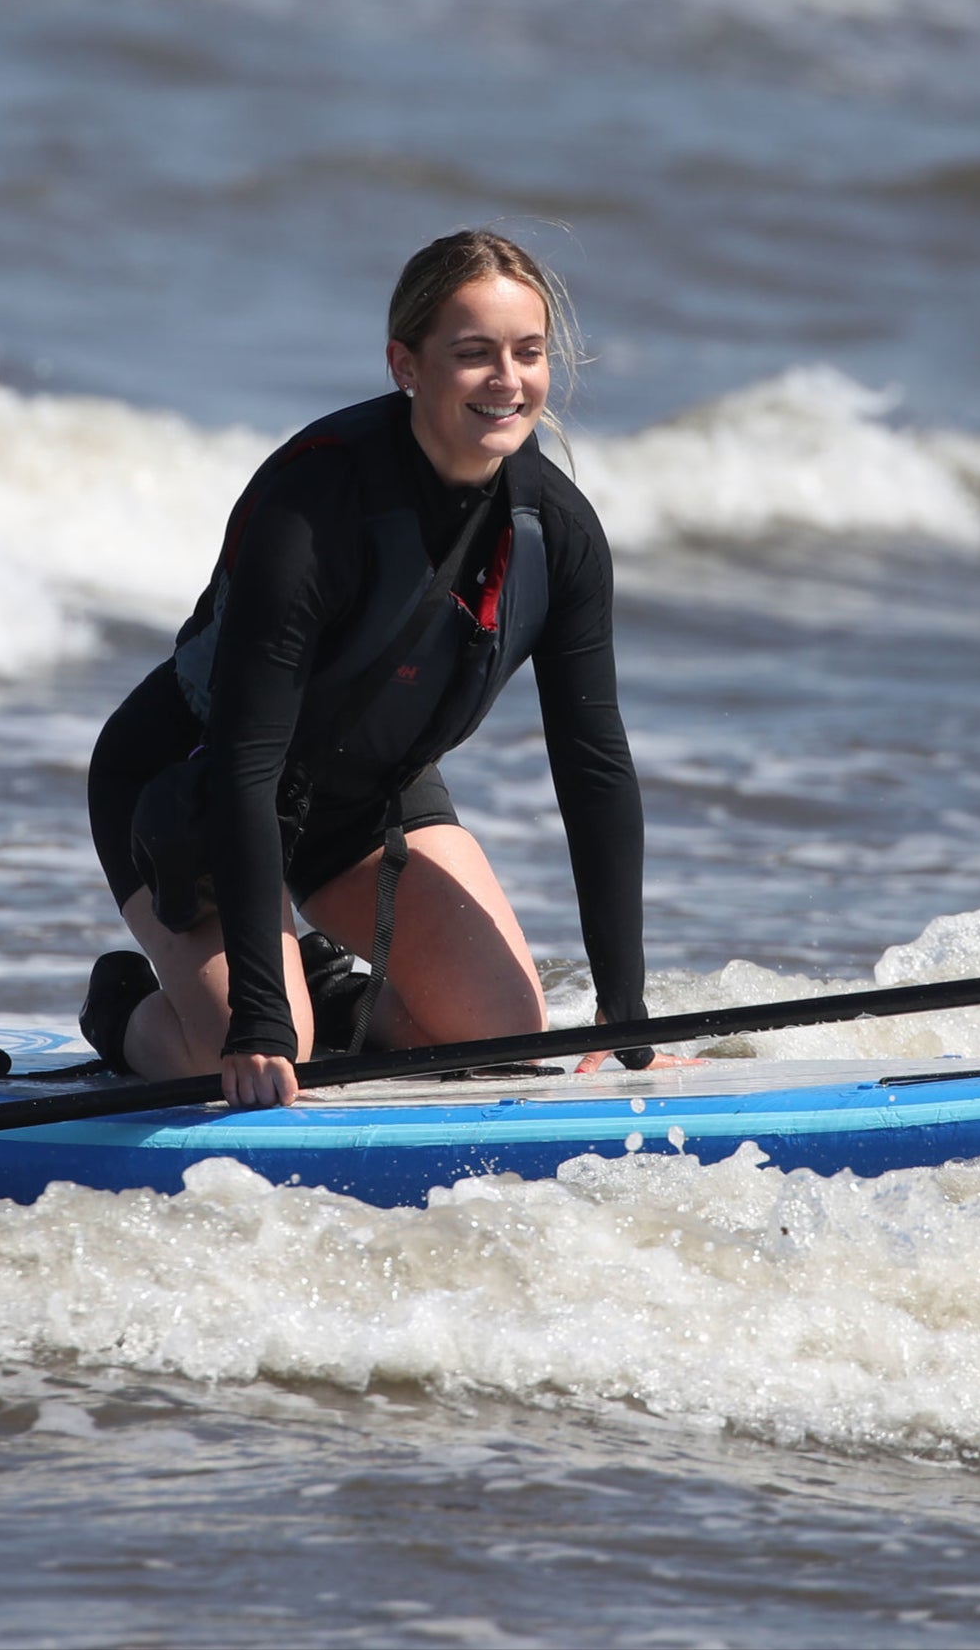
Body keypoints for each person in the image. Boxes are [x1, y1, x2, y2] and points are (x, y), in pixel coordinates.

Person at [83, 230, 665, 1108]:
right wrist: (257, 1029)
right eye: (473, 354)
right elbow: (246, 761)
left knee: (503, 1035)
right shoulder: (314, 508)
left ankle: (327, 992)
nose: (508, 380)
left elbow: (592, 763)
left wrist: (626, 1018)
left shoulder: (561, 533)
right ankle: (127, 1005)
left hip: (365, 793)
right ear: (406, 364)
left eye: (529, 352)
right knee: (246, 1063)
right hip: (196, 788)